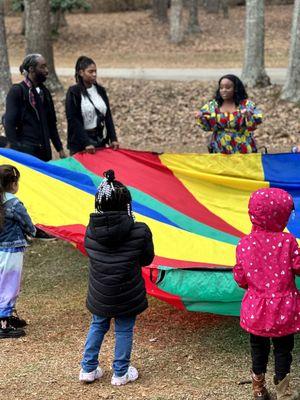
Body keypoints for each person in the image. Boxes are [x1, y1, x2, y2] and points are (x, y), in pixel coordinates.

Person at [80, 169, 154, 385]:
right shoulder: (140, 230)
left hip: (100, 292)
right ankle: (120, 373)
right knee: (124, 329)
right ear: (127, 205)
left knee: (97, 325)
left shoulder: (90, 231)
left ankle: (88, 368)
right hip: (127, 293)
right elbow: (146, 259)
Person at [233, 188, 300, 400]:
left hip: (256, 308)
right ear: (280, 215)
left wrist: (257, 286)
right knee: (283, 350)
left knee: (258, 348)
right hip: (284, 308)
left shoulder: (244, 243)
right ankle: (284, 391)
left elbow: (241, 278)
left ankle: (258, 389)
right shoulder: (287, 241)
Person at [4, 53, 66, 162]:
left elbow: (51, 123)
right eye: (42, 67)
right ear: (31, 69)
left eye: (46, 66)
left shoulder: (45, 93)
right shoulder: (17, 91)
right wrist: (16, 150)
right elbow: (9, 123)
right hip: (26, 153)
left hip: (44, 154)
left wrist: (60, 149)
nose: (46, 70)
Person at [0, 165, 36, 339]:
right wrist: (33, 232)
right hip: (11, 250)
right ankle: (3, 324)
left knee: (2, 283)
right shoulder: (13, 203)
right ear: (13, 183)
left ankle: (7, 316)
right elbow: (28, 224)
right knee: (9, 285)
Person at [195, 74, 263, 154]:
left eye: (228, 88)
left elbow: (255, 123)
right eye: (221, 88)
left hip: (243, 148)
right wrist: (201, 117)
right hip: (219, 148)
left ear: (236, 89)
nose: (224, 90)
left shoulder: (247, 105)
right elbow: (207, 127)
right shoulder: (212, 106)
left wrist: (248, 115)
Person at [66, 56, 119, 155]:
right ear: (81, 73)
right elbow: (73, 120)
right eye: (90, 72)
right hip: (81, 143)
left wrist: (113, 138)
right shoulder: (74, 92)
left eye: (95, 71)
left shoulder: (100, 91)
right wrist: (86, 143)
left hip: (99, 140)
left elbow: (107, 116)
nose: (94, 74)